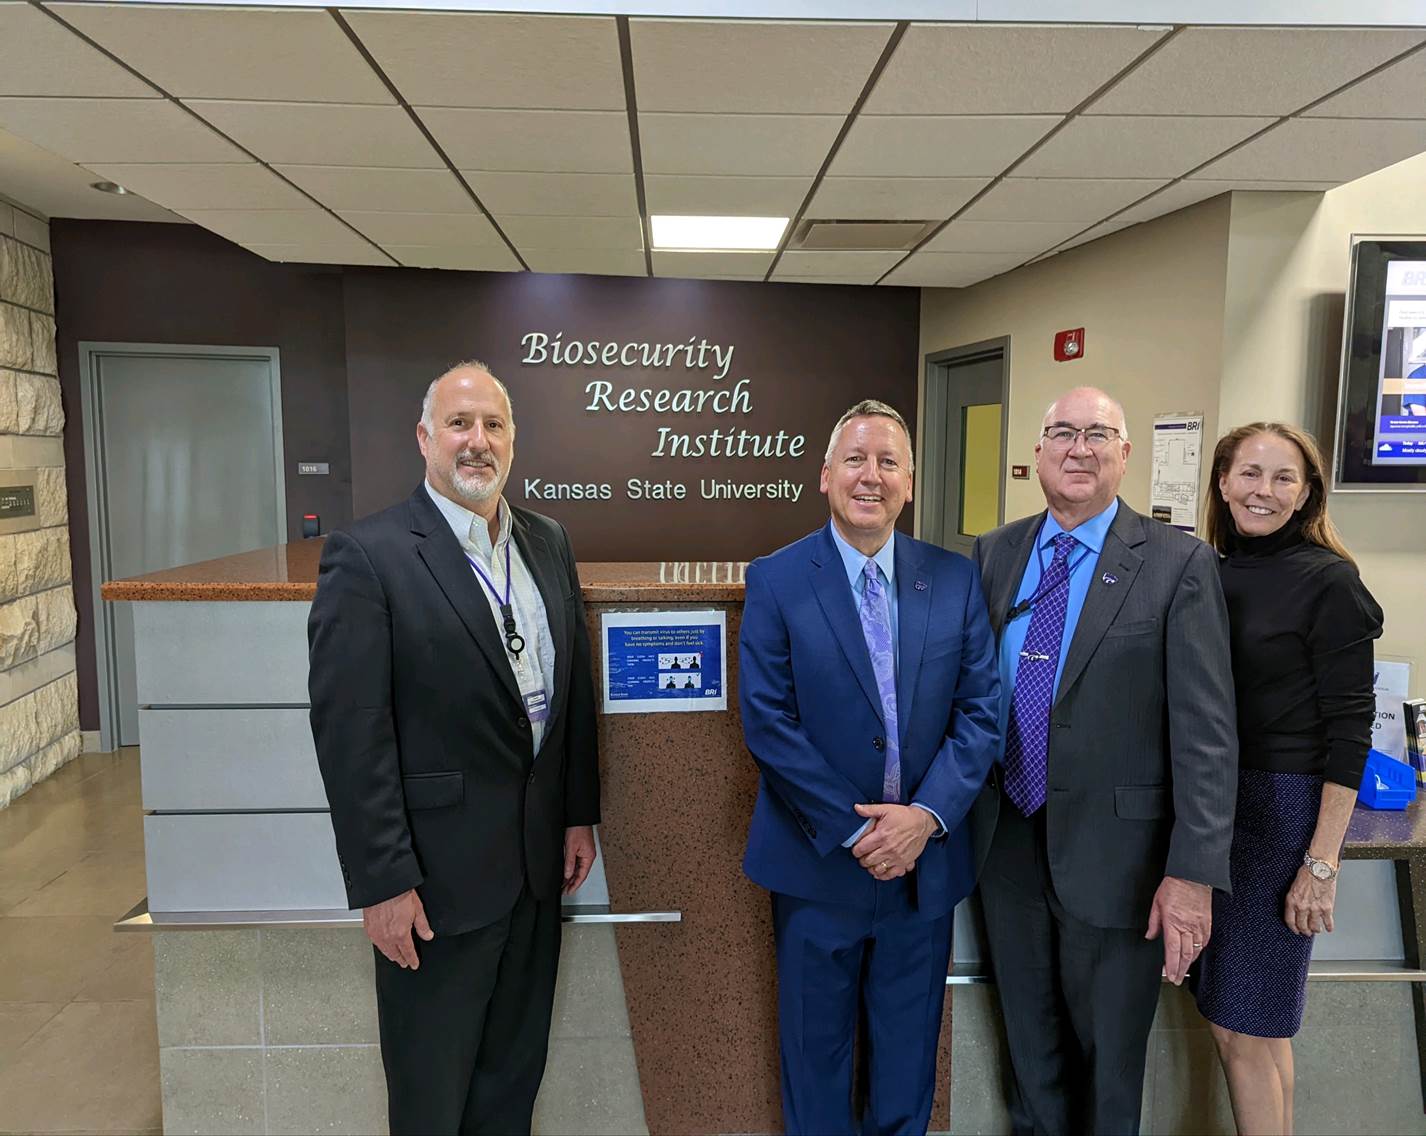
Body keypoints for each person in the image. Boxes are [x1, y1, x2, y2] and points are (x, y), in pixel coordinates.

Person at [308, 361, 600, 1135]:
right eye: (460, 424)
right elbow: (351, 734)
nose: (478, 442)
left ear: (513, 439)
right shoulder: (367, 556)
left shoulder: (548, 541)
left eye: (494, 425)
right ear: (425, 439)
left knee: (511, 1085)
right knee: (432, 1097)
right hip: (434, 888)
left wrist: (576, 815)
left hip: (537, 875)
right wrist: (383, 882)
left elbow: (571, 697)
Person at [970, 386, 1237, 1134]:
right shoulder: (996, 551)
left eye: (1097, 434)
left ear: (1125, 455)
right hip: (1006, 843)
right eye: (1062, 433)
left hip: (1123, 860)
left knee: (1110, 1065)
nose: (1078, 448)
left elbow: (1208, 733)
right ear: (1038, 453)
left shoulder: (1178, 563)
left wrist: (1192, 874)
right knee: (1029, 1051)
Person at [739, 398, 1000, 1135]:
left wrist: (924, 819)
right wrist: (858, 834)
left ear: (909, 483)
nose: (871, 475)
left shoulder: (952, 579)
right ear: (825, 476)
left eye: (888, 461)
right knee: (815, 1066)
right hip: (817, 866)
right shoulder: (779, 579)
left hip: (926, 869)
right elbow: (768, 721)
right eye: (856, 459)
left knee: (907, 1065)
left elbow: (983, 711)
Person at [1194, 422, 1383, 1136]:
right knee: (1256, 1028)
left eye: (1282, 478)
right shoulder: (1211, 570)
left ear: (1307, 494)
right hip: (1220, 805)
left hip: (1281, 814)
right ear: (1222, 481)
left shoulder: (1329, 581)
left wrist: (1322, 862)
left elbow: (1349, 737)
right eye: (1249, 474)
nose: (1262, 491)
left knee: (1243, 1029)